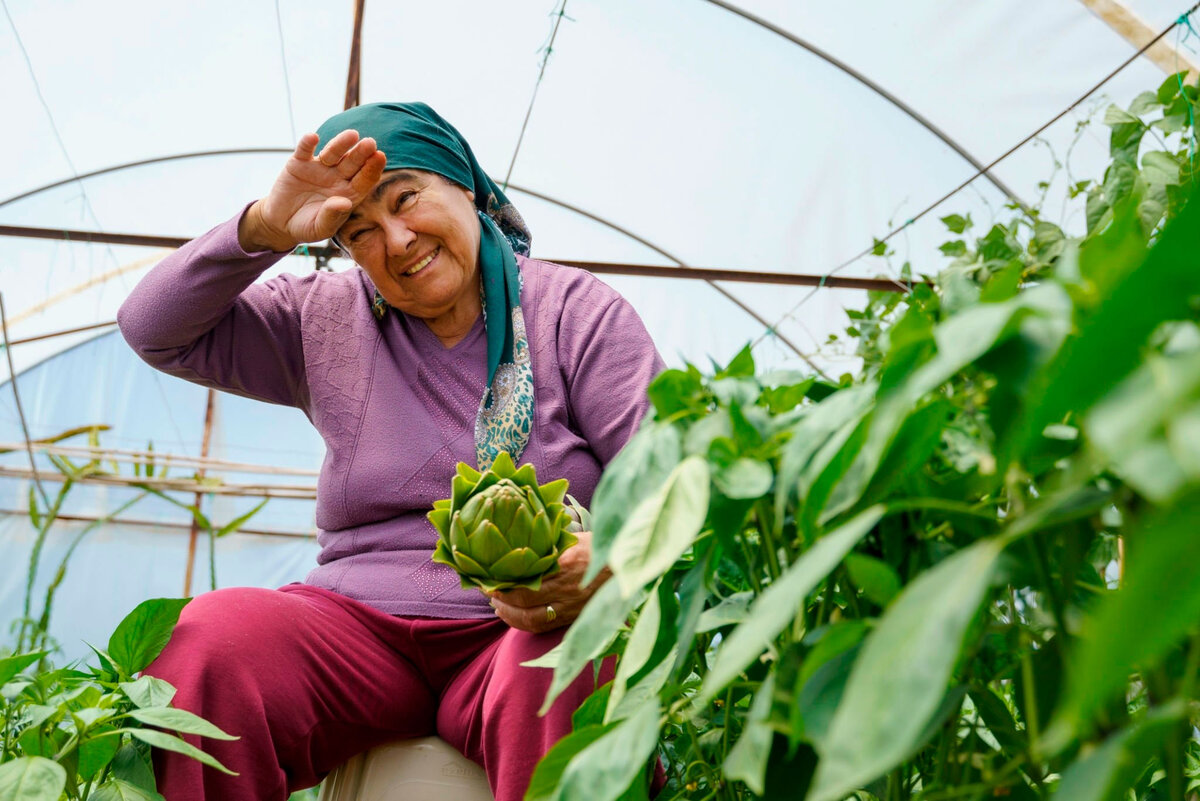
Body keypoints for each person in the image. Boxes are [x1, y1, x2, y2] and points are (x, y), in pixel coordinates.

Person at [116, 101, 664, 801]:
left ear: (464, 183)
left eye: (407, 200)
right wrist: (265, 226)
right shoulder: (320, 318)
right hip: (355, 629)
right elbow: (154, 329)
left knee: (568, 661)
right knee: (207, 645)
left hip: (520, 622)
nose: (397, 240)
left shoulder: (573, 311)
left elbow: (664, 475)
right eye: (359, 230)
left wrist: (608, 558)